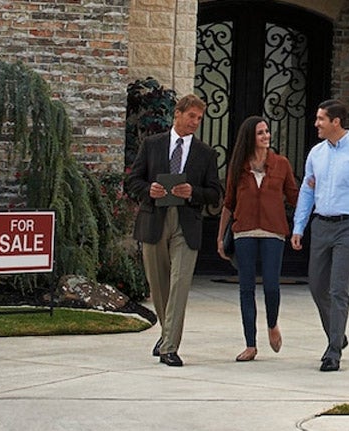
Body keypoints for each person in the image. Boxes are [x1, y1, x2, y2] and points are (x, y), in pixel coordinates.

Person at [127, 94, 223, 367]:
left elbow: (215, 193)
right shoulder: (152, 144)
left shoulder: (206, 154)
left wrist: (194, 192)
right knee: (159, 285)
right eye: (191, 116)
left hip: (186, 223)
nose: (195, 122)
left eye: (199, 118)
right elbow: (132, 181)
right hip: (154, 219)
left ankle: (169, 347)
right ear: (178, 114)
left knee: (180, 285)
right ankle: (166, 333)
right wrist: (149, 190)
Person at [291, 99, 349, 372]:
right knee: (317, 287)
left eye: (320, 119)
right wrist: (298, 226)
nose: (316, 123)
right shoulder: (316, 154)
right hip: (321, 225)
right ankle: (338, 335)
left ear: (336, 122)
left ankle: (332, 353)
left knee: (338, 288)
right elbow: (307, 192)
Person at [217, 116, 300, 362]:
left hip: (274, 232)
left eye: (267, 132)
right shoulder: (238, 166)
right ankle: (250, 344)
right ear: (250, 137)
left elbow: (295, 198)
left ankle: (272, 324)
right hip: (244, 232)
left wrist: (314, 193)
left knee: (272, 286)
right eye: (260, 133)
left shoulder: (281, 164)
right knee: (246, 288)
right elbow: (229, 204)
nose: (266, 136)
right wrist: (221, 237)